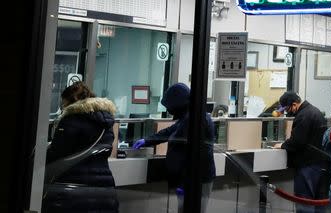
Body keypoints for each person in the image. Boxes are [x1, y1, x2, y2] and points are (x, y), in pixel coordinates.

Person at [132, 82, 215, 212]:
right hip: (190, 180)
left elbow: (197, 155)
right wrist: (147, 140)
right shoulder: (188, 117)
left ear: (178, 103)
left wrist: (185, 182)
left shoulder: (195, 119)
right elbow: (170, 131)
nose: (169, 110)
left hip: (195, 180)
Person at [43, 81, 119, 213]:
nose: (62, 106)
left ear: (71, 100)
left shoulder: (71, 120)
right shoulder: (106, 122)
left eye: (63, 102)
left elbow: (57, 152)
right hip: (104, 185)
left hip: (74, 184)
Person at [273, 91, 329, 213]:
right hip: (319, 164)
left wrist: (282, 145)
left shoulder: (303, 115)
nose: (288, 112)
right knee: (318, 203)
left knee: (305, 201)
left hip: (306, 166)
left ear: (294, 104)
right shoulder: (316, 111)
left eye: (288, 109)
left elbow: (298, 141)